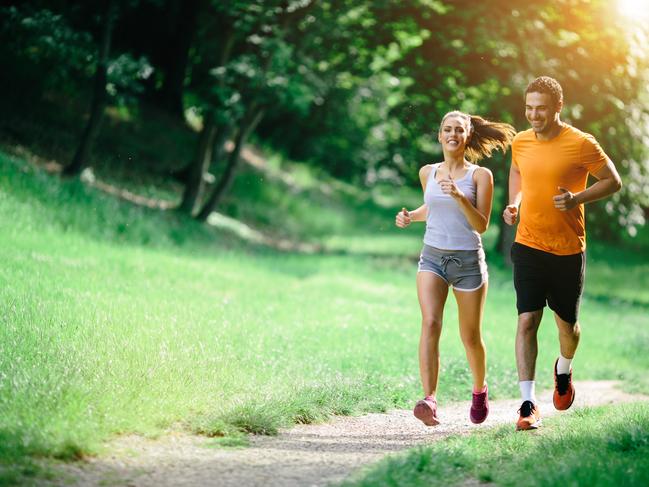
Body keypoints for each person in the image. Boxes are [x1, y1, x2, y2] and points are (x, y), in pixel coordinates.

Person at [502, 76, 622, 431]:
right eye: (528, 108)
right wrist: (514, 202)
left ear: (558, 107)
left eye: (541, 108)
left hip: (568, 250)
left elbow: (613, 181)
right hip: (528, 244)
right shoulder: (520, 141)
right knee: (527, 320)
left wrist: (576, 199)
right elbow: (517, 171)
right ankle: (527, 403)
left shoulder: (581, 143)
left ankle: (564, 369)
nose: (533, 115)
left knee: (567, 327)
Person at [396, 110, 515, 426]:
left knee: (470, 336)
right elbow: (432, 208)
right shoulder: (428, 172)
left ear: (467, 136)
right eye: (447, 129)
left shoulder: (480, 176)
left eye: (459, 130)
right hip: (432, 256)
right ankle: (430, 400)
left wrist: (461, 196)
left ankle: (479, 390)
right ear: (439, 135)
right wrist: (411, 216)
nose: (452, 134)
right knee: (431, 322)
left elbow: (482, 224)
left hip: (467, 263)